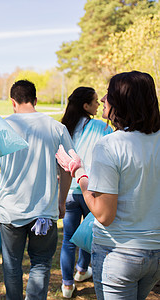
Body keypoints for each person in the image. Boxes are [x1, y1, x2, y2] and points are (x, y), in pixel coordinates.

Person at [56, 71, 160, 300]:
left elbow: (104, 214)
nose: (103, 99)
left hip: (119, 254)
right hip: (155, 253)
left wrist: (79, 172)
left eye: (108, 94)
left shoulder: (110, 145)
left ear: (123, 101)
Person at [0, 80, 73, 300]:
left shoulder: (2, 127)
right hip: (44, 211)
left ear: (13, 102)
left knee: (12, 264)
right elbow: (69, 169)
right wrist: (61, 202)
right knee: (41, 263)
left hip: (10, 211)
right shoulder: (56, 128)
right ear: (35, 100)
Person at [59, 87, 113, 298]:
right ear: (86, 106)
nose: (99, 103)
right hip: (92, 190)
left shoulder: (64, 128)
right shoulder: (102, 127)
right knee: (90, 235)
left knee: (68, 240)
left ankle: (66, 285)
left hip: (70, 191)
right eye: (95, 101)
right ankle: (82, 270)